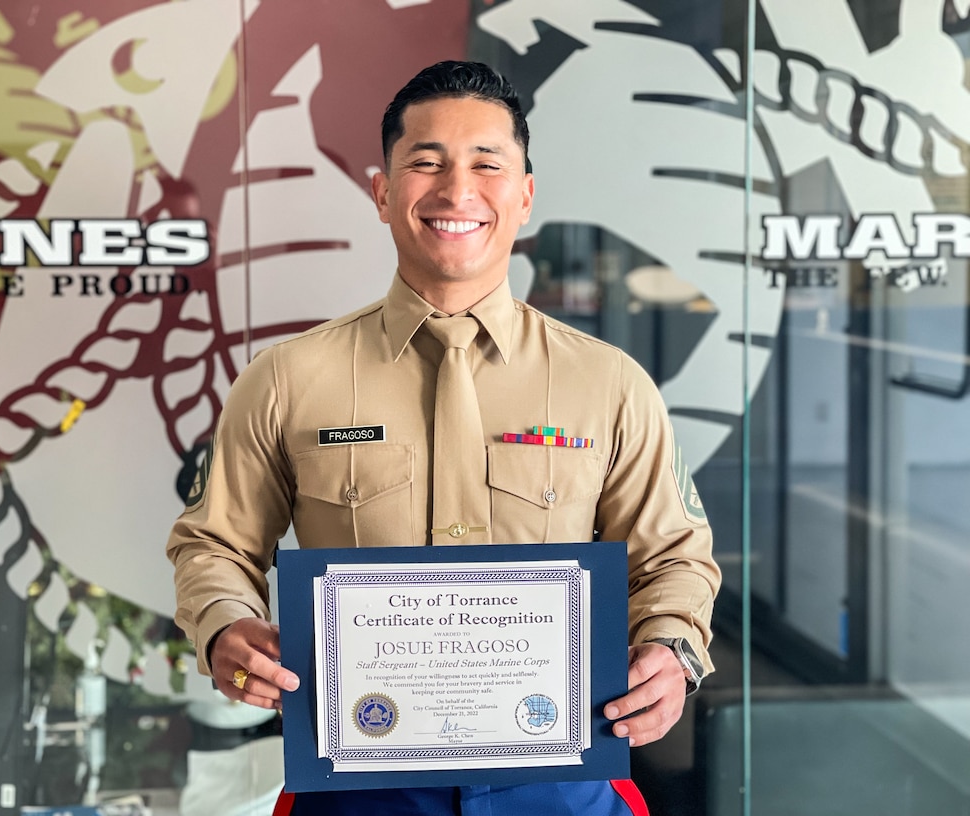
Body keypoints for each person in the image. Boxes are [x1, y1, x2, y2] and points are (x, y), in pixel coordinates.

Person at [167, 60, 721, 816]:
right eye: (425, 162)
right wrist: (226, 624)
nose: (457, 191)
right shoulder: (286, 380)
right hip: (356, 781)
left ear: (525, 195)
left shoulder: (610, 385)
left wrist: (671, 649)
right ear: (382, 192)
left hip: (561, 782)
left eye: (487, 165)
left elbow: (674, 557)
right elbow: (214, 546)